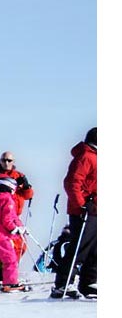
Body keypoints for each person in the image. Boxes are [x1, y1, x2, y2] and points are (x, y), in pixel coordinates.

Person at [51, 127, 96, 299]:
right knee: (80, 247)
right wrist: (82, 204)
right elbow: (72, 182)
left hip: (95, 210)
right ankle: (63, 283)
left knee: (95, 248)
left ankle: (89, 282)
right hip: (83, 211)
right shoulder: (86, 156)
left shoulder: (95, 157)